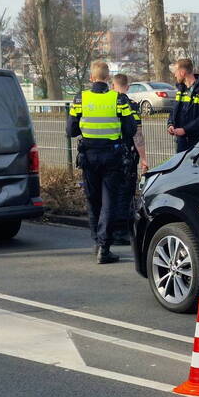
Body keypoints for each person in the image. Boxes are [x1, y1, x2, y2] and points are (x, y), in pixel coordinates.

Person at [67, 61, 138, 264]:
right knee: (109, 202)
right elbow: (131, 129)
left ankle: (97, 243)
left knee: (93, 200)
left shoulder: (81, 98)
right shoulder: (119, 99)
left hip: (89, 156)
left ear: (91, 78)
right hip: (112, 157)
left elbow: (70, 130)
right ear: (108, 79)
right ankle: (104, 248)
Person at [110, 73, 149, 246]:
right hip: (127, 155)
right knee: (125, 193)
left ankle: (108, 230)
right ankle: (122, 231)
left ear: (113, 86)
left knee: (109, 192)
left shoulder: (106, 102)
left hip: (108, 154)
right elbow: (136, 134)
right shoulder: (131, 105)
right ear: (127, 87)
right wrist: (144, 159)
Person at [166, 58, 199, 153]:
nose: (174, 75)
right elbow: (174, 110)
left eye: (176, 72)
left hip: (198, 144)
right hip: (182, 142)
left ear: (182, 72)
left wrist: (185, 130)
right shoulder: (181, 90)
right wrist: (170, 124)